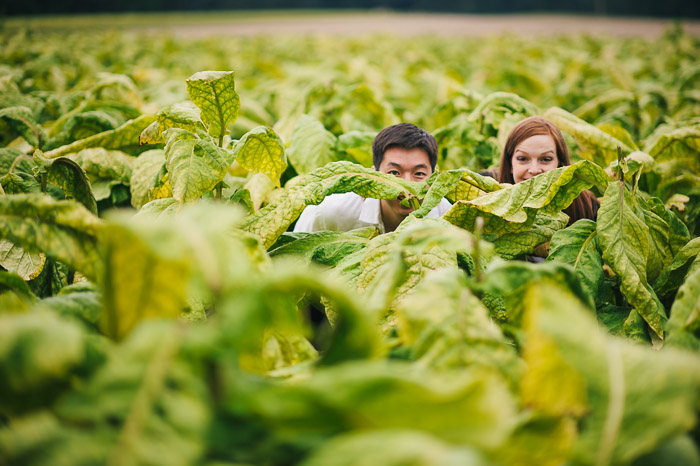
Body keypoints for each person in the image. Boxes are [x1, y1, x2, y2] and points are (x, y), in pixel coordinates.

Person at [294, 123, 452, 234]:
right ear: (373, 177)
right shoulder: (327, 213)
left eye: (419, 174)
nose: (407, 185)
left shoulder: (448, 218)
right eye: (394, 173)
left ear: (434, 180)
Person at [497, 116, 599, 226]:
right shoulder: (485, 194)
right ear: (510, 164)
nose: (534, 170)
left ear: (560, 164)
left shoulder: (587, 206)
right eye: (523, 159)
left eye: (546, 159)